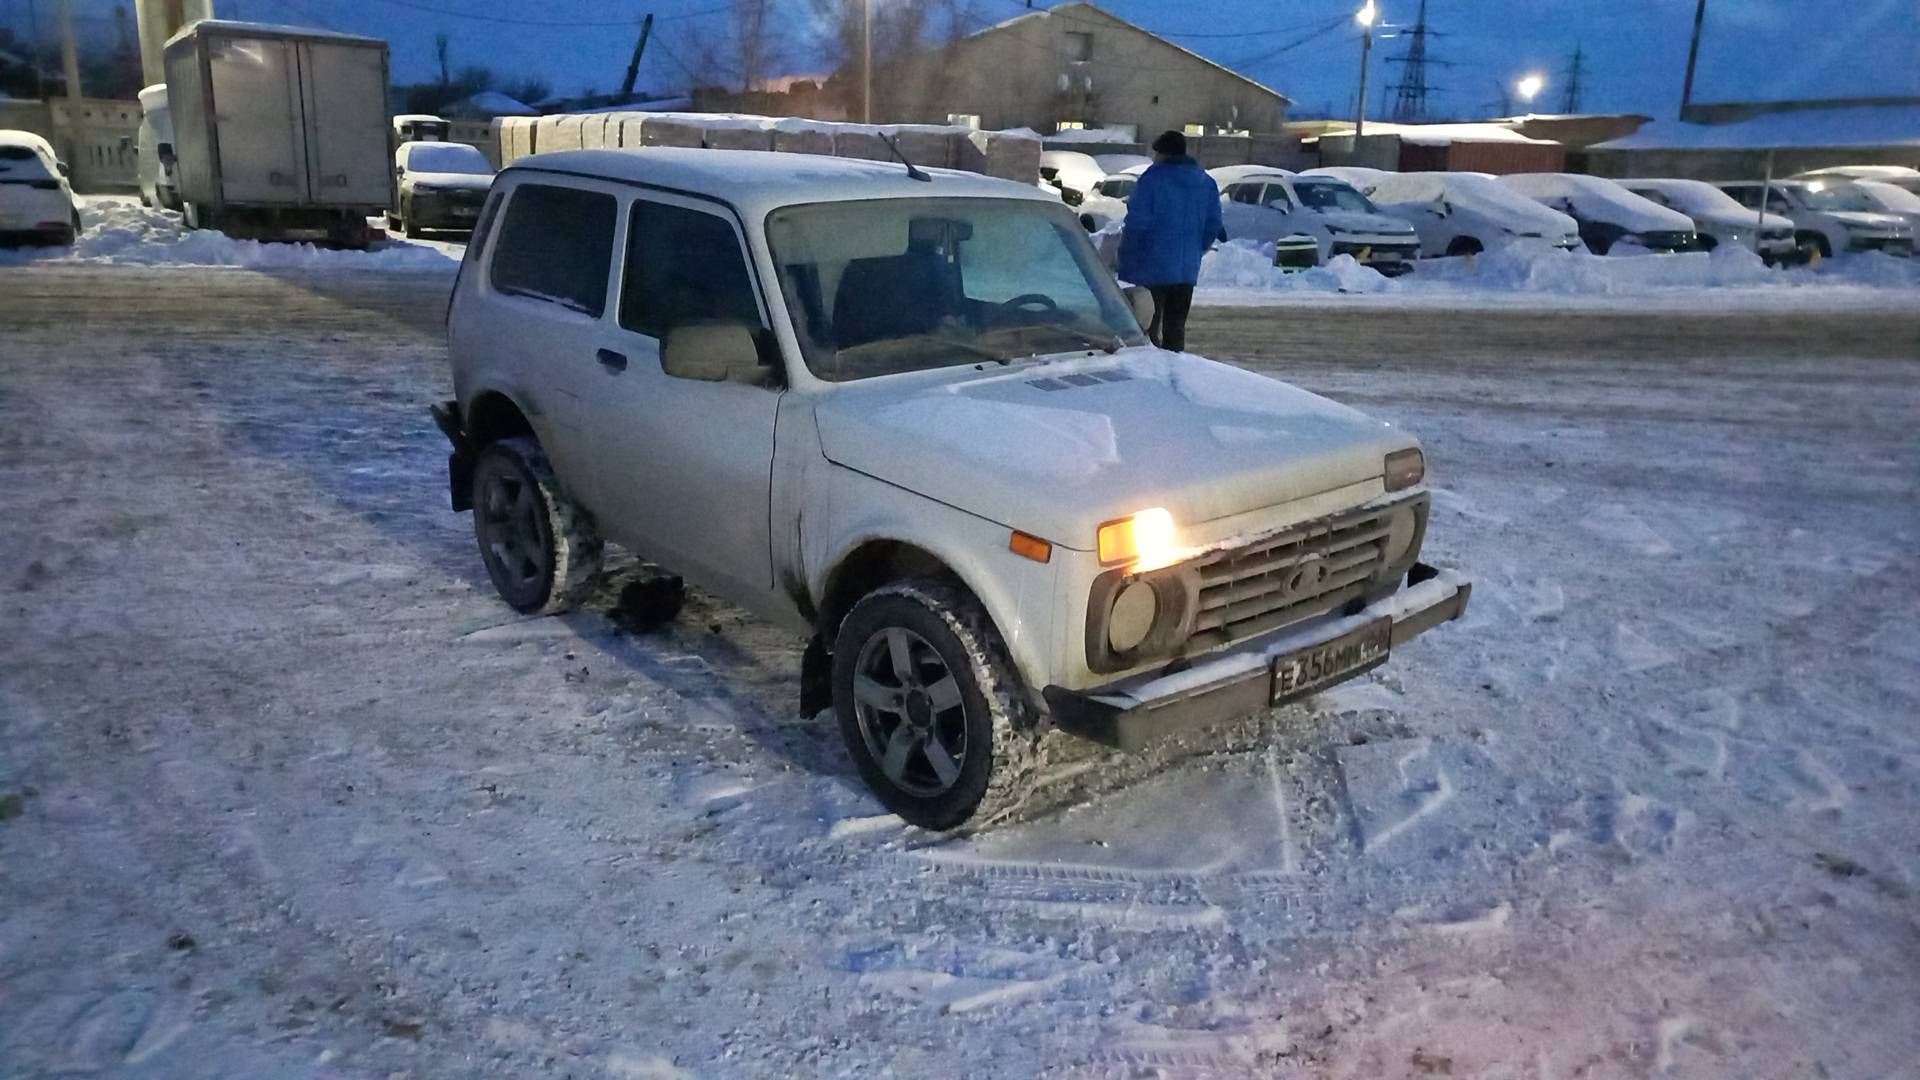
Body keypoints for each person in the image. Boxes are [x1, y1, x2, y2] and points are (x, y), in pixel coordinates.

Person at [1116, 130, 1222, 353]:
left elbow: (1137, 224)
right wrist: (1195, 249)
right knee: (1176, 329)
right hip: (1185, 271)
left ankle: (1152, 376)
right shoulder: (1206, 182)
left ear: (1163, 154)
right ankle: (1174, 372)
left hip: (1150, 267)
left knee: (1147, 329)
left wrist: (1125, 257)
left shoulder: (1152, 180)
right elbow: (1213, 224)